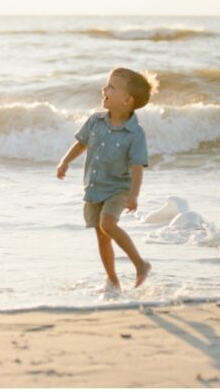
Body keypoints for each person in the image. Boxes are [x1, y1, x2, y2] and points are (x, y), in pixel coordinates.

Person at [56, 68, 158, 290]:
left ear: (127, 100)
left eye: (111, 87)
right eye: (106, 85)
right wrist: (65, 161)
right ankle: (112, 279)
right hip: (94, 188)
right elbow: (81, 143)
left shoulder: (135, 133)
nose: (104, 89)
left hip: (119, 188)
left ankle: (140, 264)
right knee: (101, 236)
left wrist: (134, 195)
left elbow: (138, 167)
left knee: (107, 223)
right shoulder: (95, 121)